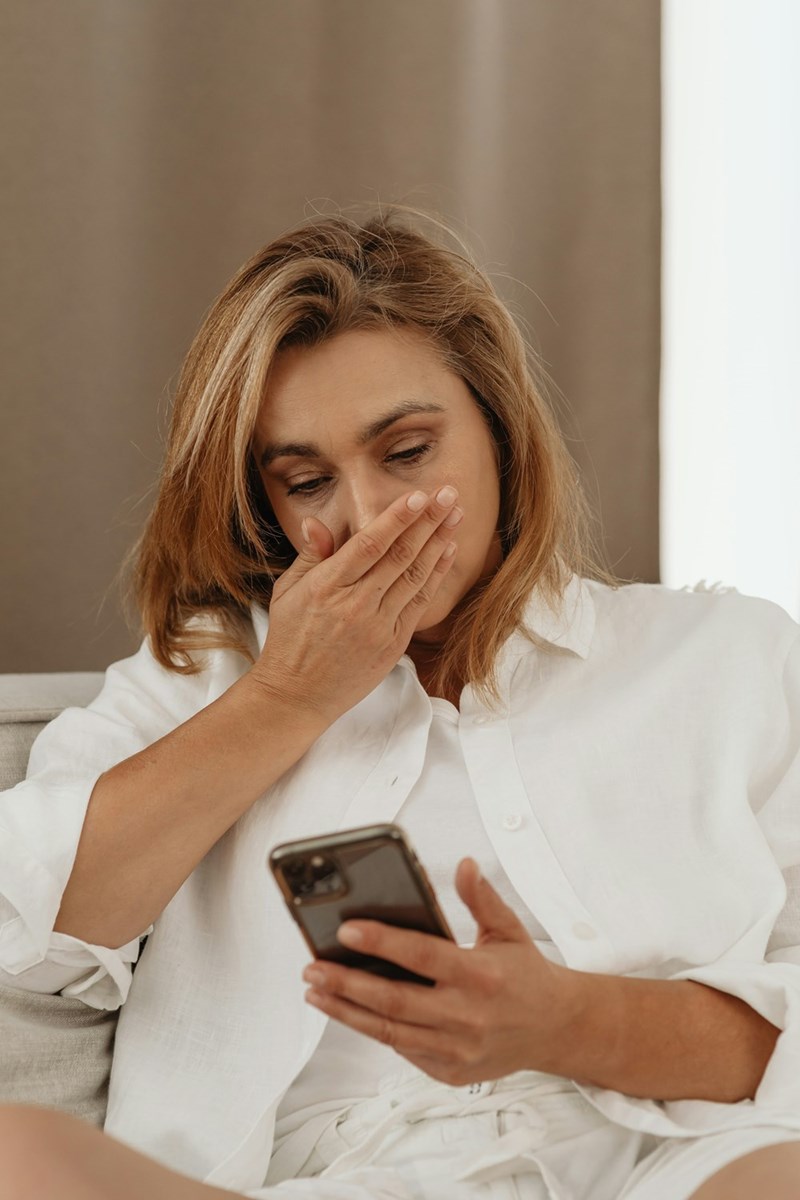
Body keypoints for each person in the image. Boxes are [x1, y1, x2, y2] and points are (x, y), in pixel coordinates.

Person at [1, 208, 799, 1200]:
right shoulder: (204, 679)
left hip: (654, 1166)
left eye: (408, 452)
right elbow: (29, 930)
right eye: (306, 481)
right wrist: (287, 698)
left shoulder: (725, 659)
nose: (370, 517)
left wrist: (565, 1022)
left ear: (498, 434)